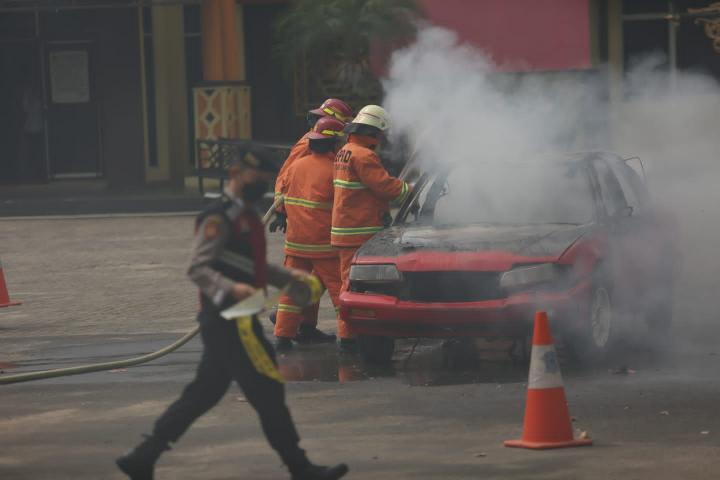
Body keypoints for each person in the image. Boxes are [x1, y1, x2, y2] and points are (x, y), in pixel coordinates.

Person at [116, 149, 348, 480]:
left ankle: (142, 456)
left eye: (267, 181)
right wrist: (229, 288)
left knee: (202, 395)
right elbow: (198, 268)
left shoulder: (249, 217)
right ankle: (301, 468)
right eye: (258, 178)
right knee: (268, 392)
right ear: (236, 172)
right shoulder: (218, 217)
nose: (262, 185)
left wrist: (289, 279)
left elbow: (250, 266)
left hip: (240, 319)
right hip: (228, 321)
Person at [268, 98, 353, 343]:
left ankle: (297, 327)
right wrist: (281, 210)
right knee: (336, 286)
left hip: (299, 236)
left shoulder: (315, 146)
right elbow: (285, 178)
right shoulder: (310, 145)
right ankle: (347, 338)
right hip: (320, 237)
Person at [331, 106, 411, 351]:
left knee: (351, 281)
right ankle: (348, 337)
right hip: (359, 229)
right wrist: (409, 189)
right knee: (352, 284)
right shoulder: (364, 156)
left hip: (347, 227)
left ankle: (351, 334)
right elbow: (384, 187)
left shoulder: (345, 151)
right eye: (380, 134)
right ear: (374, 132)